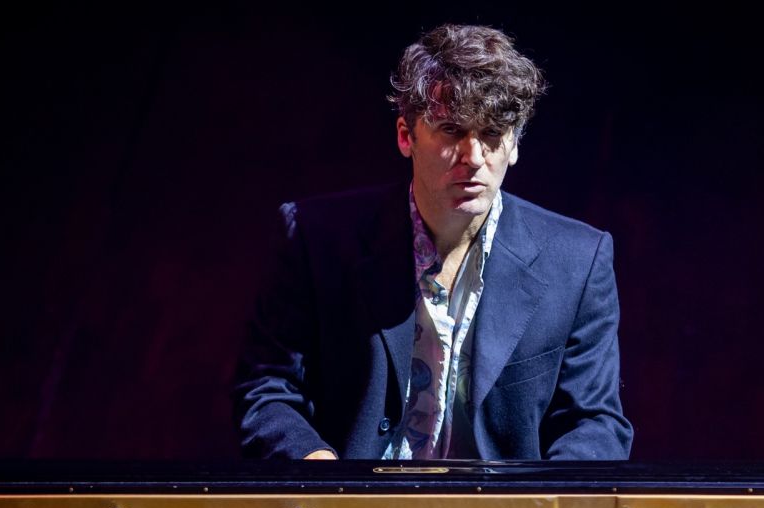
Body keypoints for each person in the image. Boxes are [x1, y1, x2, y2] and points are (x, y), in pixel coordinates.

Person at [233, 24, 632, 461]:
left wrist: (545, 500)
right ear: (406, 136)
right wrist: (323, 476)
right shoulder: (314, 237)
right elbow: (267, 389)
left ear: (515, 143)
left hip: (506, 507)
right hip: (351, 502)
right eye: (452, 129)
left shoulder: (578, 260)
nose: (474, 157)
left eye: (492, 133)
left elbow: (594, 422)